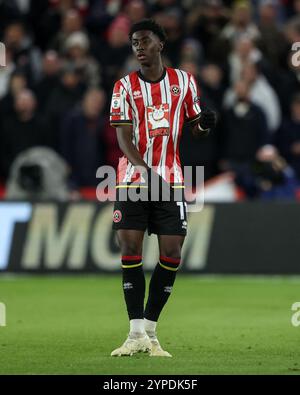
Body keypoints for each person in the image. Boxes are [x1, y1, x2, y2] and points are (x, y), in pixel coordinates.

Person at [109, 19, 217, 357]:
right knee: (130, 249)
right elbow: (123, 139)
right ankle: (134, 332)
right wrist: (144, 169)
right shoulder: (123, 87)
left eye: (144, 41)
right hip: (132, 180)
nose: (139, 47)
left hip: (171, 180)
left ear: (160, 44)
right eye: (134, 43)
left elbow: (194, 129)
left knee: (171, 253)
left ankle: (151, 333)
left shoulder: (183, 82)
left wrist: (205, 126)